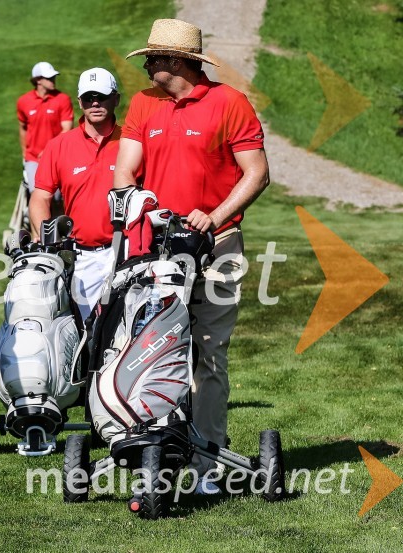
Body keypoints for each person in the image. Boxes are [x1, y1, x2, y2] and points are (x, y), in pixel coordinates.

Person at [113, 19, 270, 494]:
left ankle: (205, 465)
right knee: (146, 348)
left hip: (216, 246)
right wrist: (136, 203)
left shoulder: (229, 103)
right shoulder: (143, 104)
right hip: (155, 248)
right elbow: (124, 171)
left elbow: (257, 173)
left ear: (178, 62)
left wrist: (215, 215)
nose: (149, 66)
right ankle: (152, 449)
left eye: (155, 58)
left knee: (207, 354)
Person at [28, 67, 129, 321]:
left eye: (102, 96)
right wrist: (47, 243)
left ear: (116, 99)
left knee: (125, 333)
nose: (95, 103)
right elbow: (40, 197)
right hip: (80, 256)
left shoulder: (132, 141)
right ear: (80, 101)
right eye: (88, 97)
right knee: (83, 334)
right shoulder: (60, 145)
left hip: (127, 253)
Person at [16, 62, 74, 192]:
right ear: (38, 80)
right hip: (33, 158)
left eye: (53, 77)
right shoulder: (23, 101)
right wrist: (25, 152)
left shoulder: (63, 99)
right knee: (36, 192)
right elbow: (22, 127)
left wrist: (49, 150)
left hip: (57, 157)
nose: (53, 80)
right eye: (49, 78)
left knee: (57, 195)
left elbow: (67, 129)